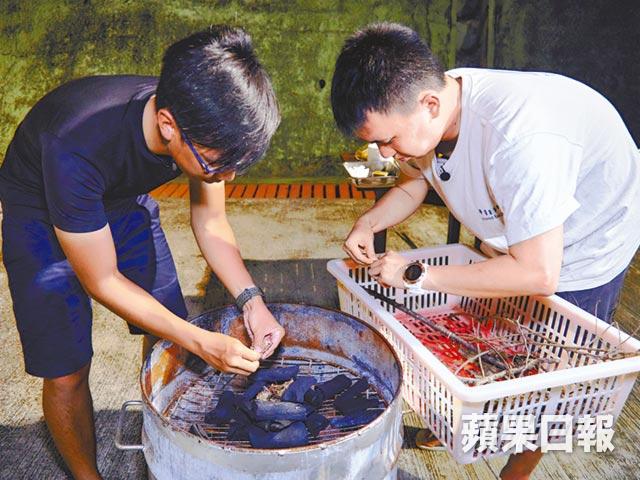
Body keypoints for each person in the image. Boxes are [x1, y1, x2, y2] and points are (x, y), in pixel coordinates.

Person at [331, 22, 640, 480]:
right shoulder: (435, 106)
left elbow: (538, 274)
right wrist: (370, 221)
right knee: (488, 338)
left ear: (429, 105)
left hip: (584, 244)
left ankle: (514, 472)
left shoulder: (519, 139)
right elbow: (415, 182)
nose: (386, 154)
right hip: (516, 233)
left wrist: (418, 274)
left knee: (549, 378)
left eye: (388, 141)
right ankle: (458, 421)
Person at [0, 26, 284, 479]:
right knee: (66, 367)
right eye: (217, 165)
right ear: (168, 126)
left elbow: (211, 222)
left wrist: (253, 302)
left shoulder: (200, 113)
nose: (226, 178)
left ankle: (168, 441)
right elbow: (103, 280)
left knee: (168, 332)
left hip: (120, 198)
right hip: (38, 211)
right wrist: (201, 341)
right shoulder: (75, 146)